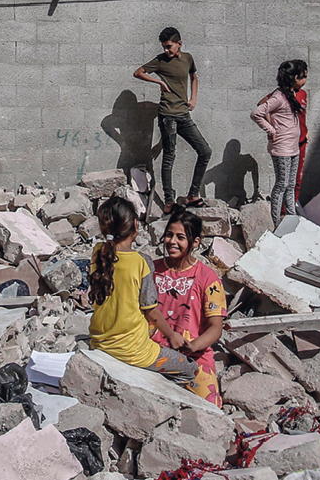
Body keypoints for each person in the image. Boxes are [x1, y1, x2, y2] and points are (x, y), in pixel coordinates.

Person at [88, 197, 200, 389]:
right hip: (132, 350)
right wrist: (172, 335)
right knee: (190, 368)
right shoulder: (141, 262)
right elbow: (151, 311)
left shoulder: (98, 252)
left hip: (99, 341)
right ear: (135, 225)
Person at [150, 209, 227, 404]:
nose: (172, 241)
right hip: (151, 351)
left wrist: (192, 347)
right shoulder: (151, 270)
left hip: (194, 356)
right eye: (169, 235)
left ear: (195, 243)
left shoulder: (208, 278)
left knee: (211, 410)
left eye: (180, 237)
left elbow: (216, 328)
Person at [134, 27, 211, 213]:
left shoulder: (188, 58)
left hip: (183, 114)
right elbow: (138, 72)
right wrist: (159, 82)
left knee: (205, 151)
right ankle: (169, 201)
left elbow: (194, 77)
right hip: (167, 115)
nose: (166, 50)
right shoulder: (160, 61)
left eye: (169, 46)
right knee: (169, 156)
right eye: (164, 47)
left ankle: (193, 195)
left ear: (179, 44)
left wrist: (193, 99)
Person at [251, 60, 309, 226]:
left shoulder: (292, 95)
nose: (305, 81)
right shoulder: (279, 97)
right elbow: (257, 113)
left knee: (291, 185)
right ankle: (276, 221)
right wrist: (271, 130)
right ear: (294, 78)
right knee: (282, 184)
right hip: (282, 148)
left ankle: (291, 218)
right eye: (302, 77)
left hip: (293, 148)